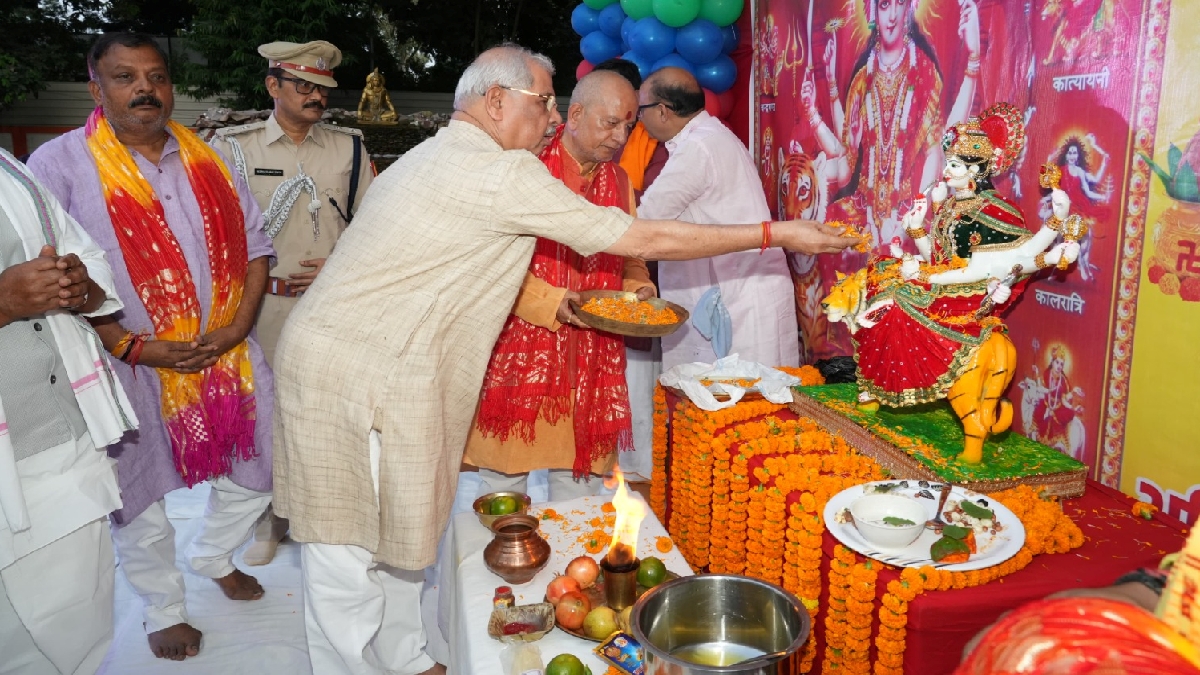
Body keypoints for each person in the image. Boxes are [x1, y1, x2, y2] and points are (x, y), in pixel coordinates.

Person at [271, 44, 853, 675]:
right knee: (347, 546)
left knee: (401, 532)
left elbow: (626, 254)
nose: (552, 117)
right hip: (351, 370)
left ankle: (406, 659)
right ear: (496, 101)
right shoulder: (501, 169)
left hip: (395, 364)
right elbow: (639, 238)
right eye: (545, 101)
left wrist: (633, 291)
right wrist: (775, 232)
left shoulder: (443, 153)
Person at [28, 32, 276, 661]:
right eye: (124, 77)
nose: (145, 89)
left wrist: (239, 327)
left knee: (266, 467)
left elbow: (253, 246)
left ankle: (213, 553)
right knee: (139, 495)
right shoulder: (59, 164)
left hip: (227, 353)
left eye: (157, 76)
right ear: (96, 87)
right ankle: (164, 606)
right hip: (118, 363)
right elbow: (52, 273)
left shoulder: (210, 156)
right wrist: (132, 346)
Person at [211, 39, 373, 566]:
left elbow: (376, 227)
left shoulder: (349, 149)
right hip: (262, 311)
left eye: (323, 88)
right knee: (264, 418)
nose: (315, 96)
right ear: (272, 86)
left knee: (329, 415)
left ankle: (318, 517)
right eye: (302, 85)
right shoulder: (232, 148)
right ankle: (267, 520)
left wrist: (341, 265)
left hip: (332, 308)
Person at [465, 70, 652, 500]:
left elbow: (631, 252)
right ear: (577, 113)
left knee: (580, 499)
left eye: (628, 126)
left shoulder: (620, 181)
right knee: (503, 492)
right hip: (520, 354)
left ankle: (571, 568)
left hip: (592, 362)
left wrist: (638, 285)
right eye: (611, 123)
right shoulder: (525, 167)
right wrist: (552, 301)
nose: (621, 136)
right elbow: (490, 260)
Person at [0, 147, 137, 675]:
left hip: (59, 433)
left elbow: (86, 254)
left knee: (77, 606)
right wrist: (4, 301)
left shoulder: (11, 169)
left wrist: (81, 287)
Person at [636, 67, 799, 370]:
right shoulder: (711, 137)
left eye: (640, 110)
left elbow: (644, 223)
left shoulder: (697, 149)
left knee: (741, 405)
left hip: (739, 299)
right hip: (742, 290)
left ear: (661, 111)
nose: (639, 119)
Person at [803, 0, 981, 250]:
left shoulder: (924, 72)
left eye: (901, 4)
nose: (893, 16)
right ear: (873, 9)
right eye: (885, 5)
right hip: (863, 215)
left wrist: (915, 215)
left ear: (911, 7)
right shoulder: (862, 77)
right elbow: (846, 156)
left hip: (909, 212)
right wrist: (817, 106)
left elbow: (937, 152)